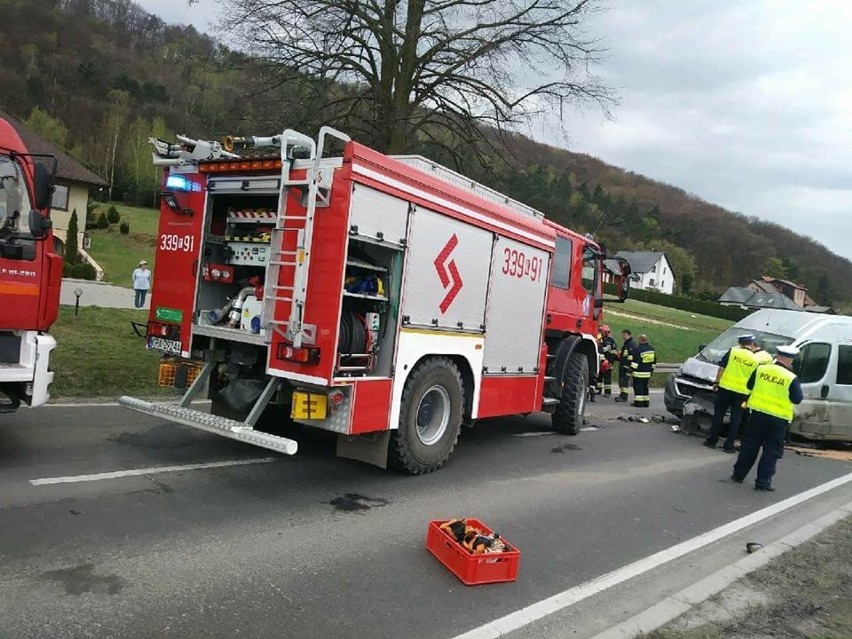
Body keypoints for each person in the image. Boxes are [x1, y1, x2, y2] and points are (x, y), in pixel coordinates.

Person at [731, 345, 803, 491]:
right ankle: (763, 482)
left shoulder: (761, 369)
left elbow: (749, 385)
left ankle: (738, 474)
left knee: (749, 446)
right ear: (789, 360)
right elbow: (797, 399)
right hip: (778, 419)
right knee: (771, 451)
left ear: (777, 356)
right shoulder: (790, 377)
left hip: (757, 414)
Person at [703, 334, 765, 453]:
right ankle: (729, 445)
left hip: (725, 389)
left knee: (719, 415)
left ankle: (712, 440)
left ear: (740, 344)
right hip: (742, 393)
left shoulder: (733, 352)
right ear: (751, 344)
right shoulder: (756, 359)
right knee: (736, 419)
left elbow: (721, 368)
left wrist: (717, 382)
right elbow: (755, 378)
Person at [630, 334, 656, 407]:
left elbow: (635, 363)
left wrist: (631, 369)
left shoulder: (638, 349)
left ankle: (638, 403)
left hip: (639, 373)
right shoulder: (652, 349)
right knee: (645, 387)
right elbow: (654, 361)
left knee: (638, 388)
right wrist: (651, 370)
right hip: (647, 373)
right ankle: (646, 402)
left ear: (640, 340)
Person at [595, 325, 618, 396]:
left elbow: (613, 353)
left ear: (606, 332)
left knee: (607, 377)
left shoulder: (612, 341)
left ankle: (607, 392)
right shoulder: (600, 339)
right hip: (600, 361)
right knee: (599, 377)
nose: (601, 334)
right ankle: (598, 390)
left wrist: (610, 362)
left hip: (608, 362)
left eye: (602, 332)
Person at [614, 329, 635, 402]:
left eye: (623, 335)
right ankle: (622, 395)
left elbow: (631, 357)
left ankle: (624, 397)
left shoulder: (631, 344)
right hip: (623, 366)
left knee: (624, 382)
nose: (622, 336)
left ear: (627, 335)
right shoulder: (626, 344)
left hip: (626, 367)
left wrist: (628, 367)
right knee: (621, 381)